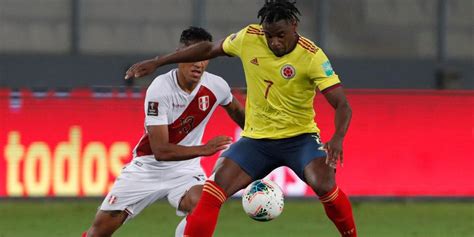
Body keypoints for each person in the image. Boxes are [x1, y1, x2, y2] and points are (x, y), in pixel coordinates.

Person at [125, 0, 357, 236]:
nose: (274, 42)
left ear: (294, 26)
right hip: (256, 141)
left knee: (324, 183)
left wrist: (337, 137)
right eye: (269, 36)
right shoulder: (249, 38)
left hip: (299, 140)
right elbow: (207, 49)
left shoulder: (312, 56)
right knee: (213, 190)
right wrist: (158, 62)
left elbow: (342, 105)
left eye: (281, 35)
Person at [83, 26, 245, 237]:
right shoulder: (160, 89)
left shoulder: (216, 86)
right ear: (180, 54)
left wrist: (256, 136)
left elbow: (236, 110)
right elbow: (160, 151)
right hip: (147, 167)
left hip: (185, 170)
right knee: (100, 232)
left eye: (204, 57)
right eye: (193, 56)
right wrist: (204, 149)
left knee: (203, 205)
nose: (199, 63)